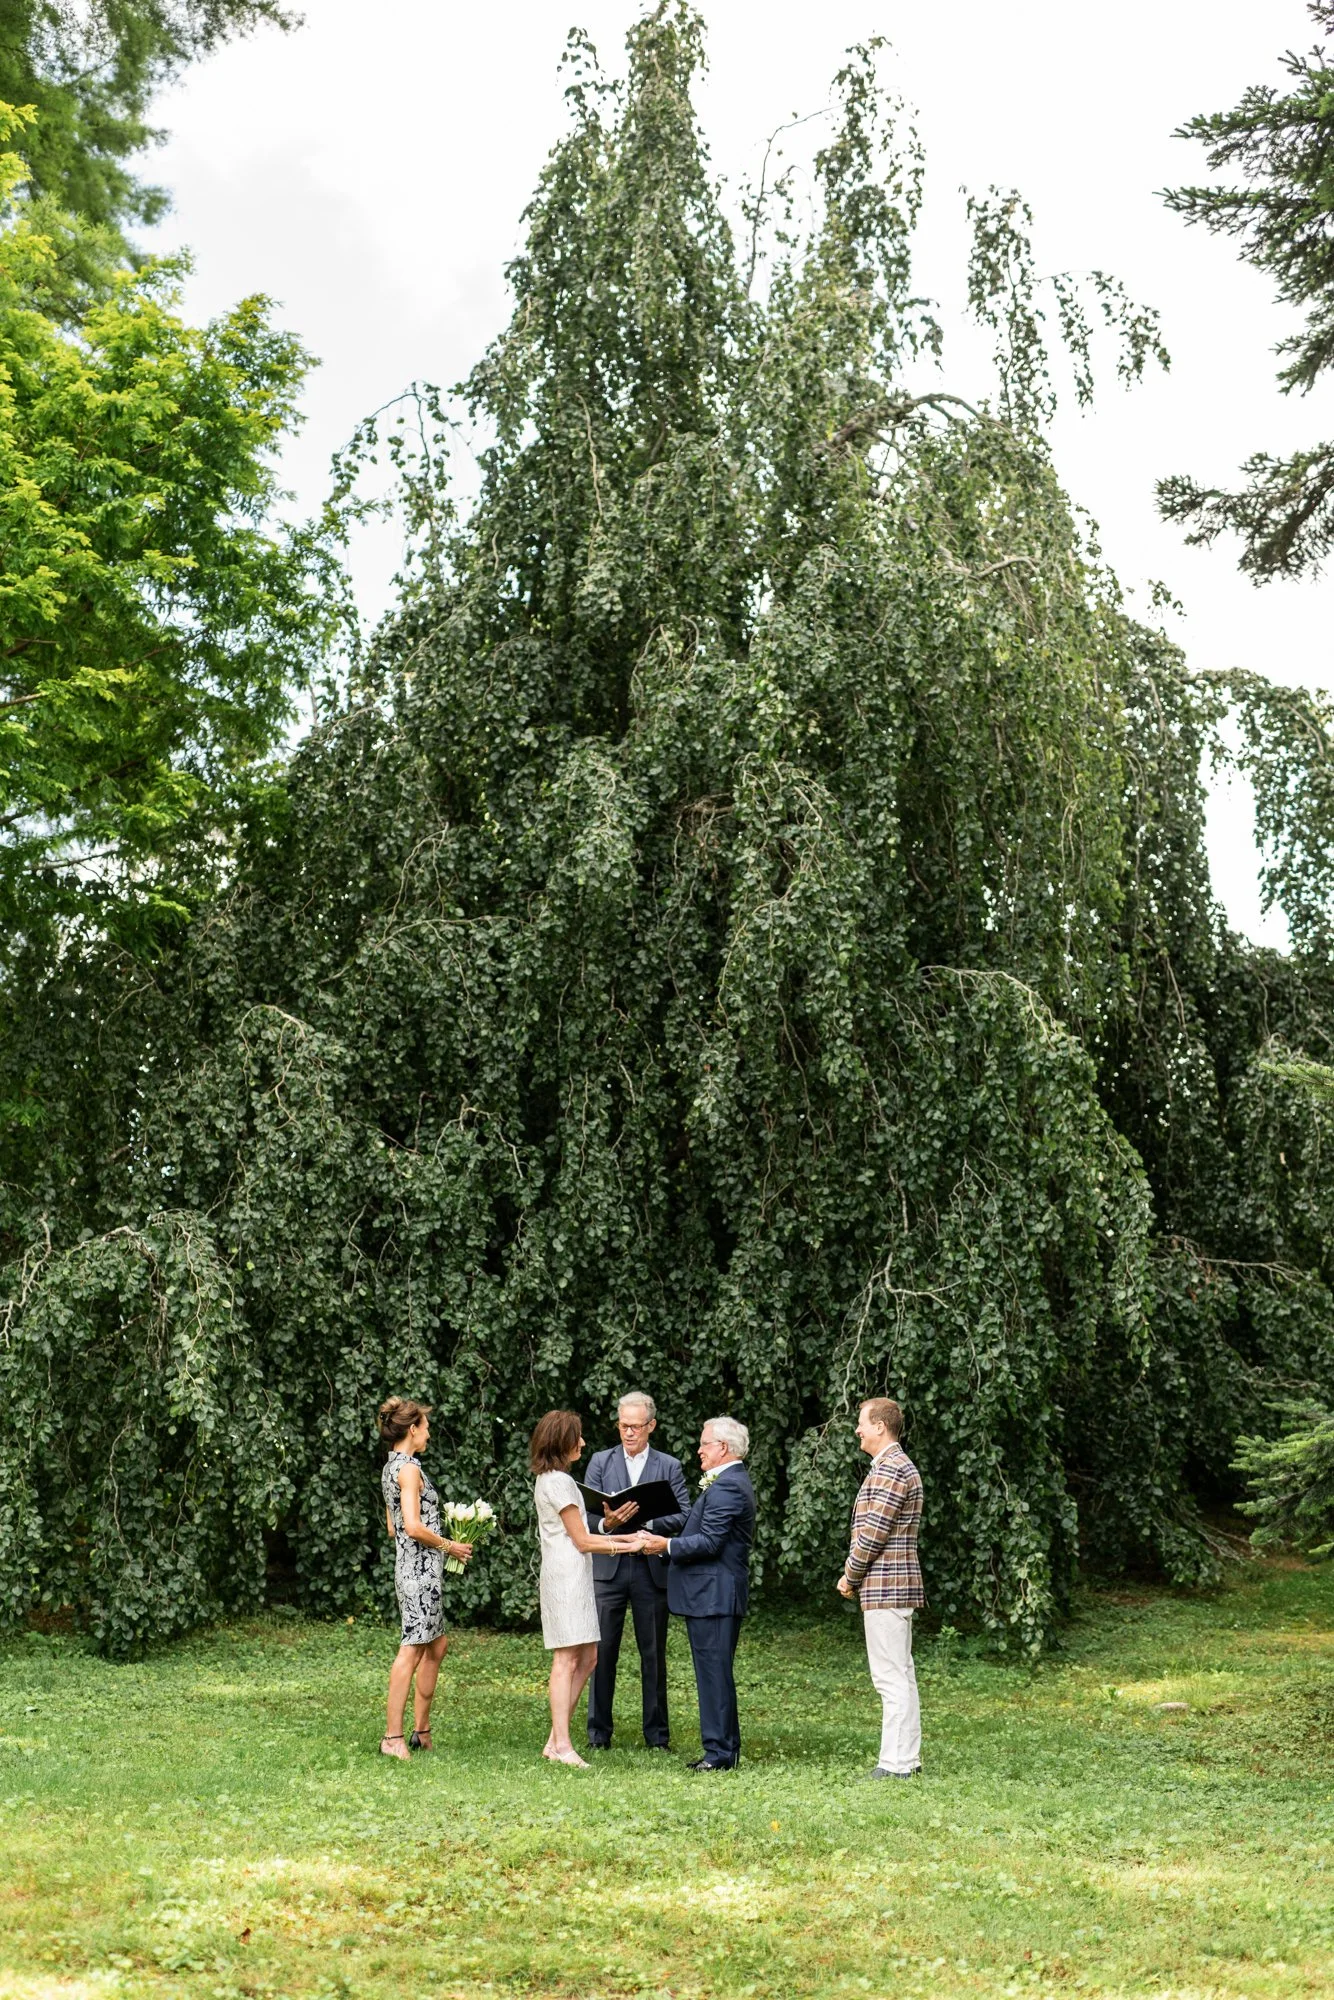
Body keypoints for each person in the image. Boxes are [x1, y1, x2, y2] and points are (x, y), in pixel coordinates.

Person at [636, 1415, 755, 1771]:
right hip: (711, 1595)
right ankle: (724, 1749)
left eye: (704, 1443)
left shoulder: (728, 1486)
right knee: (715, 1673)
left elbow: (710, 1542)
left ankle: (718, 1755)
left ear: (722, 1448)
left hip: (714, 1595)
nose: (699, 1450)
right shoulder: (727, 1482)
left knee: (714, 1675)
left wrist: (665, 1544)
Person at [530, 1408, 640, 1768]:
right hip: (566, 1576)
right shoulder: (558, 1482)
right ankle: (561, 1744)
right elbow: (580, 1540)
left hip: (575, 1572)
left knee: (589, 1656)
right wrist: (627, 1543)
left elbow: (584, 1534)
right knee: (565, 1659)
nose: (582, 1442)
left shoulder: (556, 1479)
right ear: (562, 1441)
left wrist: (612, 1529)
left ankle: (555, 1740)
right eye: (576, 1436)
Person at [584, 1391, 690, 1752]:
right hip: (609, 1566)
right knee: (601, 1653)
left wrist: (651, 1523)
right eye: (623, 1426)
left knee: (653, 1652)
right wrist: (608, 1522)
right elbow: (586, 1513)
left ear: (651, 1426)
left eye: (635, 1426)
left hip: (650, 1567)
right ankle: (598, 1733)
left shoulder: (669, 1465)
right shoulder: (600, 1460)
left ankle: (657, 1736)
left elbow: (685, 1514)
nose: (628, 1433)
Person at [379, 1397, 476, 1761]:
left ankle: (421, 1732)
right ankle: (392, 1737)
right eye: (426, 1426)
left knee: (436, 1646)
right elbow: (412, 1525)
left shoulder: (393, 1467)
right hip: (418, 1574)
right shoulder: (408, 1470)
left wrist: (432, 1538)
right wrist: (449, 1545)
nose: (429, 1432)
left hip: (414, 1568)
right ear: (413, 1429)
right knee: (412, 1649)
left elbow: (394, 1528)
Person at [836, 1396, 924, 1779]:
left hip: (887, 1586)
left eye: (861, 1422)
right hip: (893, 1587)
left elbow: (873, 1535)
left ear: (879, 1426)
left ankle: (895, 1763)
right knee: (901, 1673)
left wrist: (849, 1576)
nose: (857, 1429)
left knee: (890, 1677)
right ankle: (908, 1758)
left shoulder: (891, 1469)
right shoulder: (894, 1466)